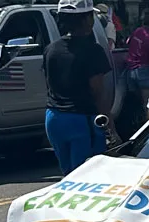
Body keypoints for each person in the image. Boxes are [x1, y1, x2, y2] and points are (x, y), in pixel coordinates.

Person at [43, 0, 112, 175]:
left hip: (54, 118)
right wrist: (111, 128)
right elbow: (97, 92)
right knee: (88, 176)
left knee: (68, 175)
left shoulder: (51, 49)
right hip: (82, 120)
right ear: (87, 19)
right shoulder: (93, 51)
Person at [126, 9, 149, 107]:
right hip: (145, 70)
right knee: (147, 103)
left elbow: (128, 42)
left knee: (136, 103)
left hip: (131, 69)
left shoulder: (138, 31)